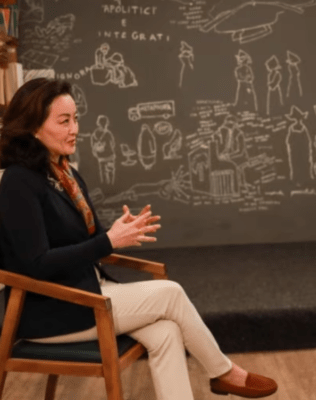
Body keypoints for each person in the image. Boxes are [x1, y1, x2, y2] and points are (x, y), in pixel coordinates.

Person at [0, 78, 278, 400]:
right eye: (64, 121)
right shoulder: (18, 182)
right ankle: (223, 373)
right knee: (171, 294)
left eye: (76, 119)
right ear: (34, 127)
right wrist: (108, 241)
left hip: (86, 291)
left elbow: (87, 239)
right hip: (54, 312)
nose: (74, 129)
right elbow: (35, 264)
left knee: (166, 331)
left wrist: (118, 232)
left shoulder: (64, 172)